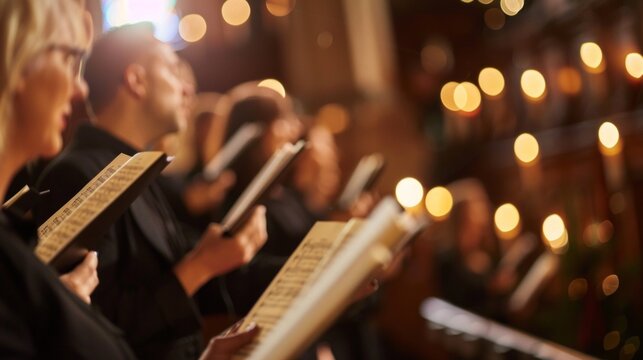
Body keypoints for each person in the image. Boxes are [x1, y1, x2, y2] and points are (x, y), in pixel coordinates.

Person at [34, 23, 267, 359]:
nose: (188, 89)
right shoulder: (79, 173)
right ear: (136, 80)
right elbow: (97, 325)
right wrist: (198, 266)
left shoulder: (139, 169)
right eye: (173, 70)